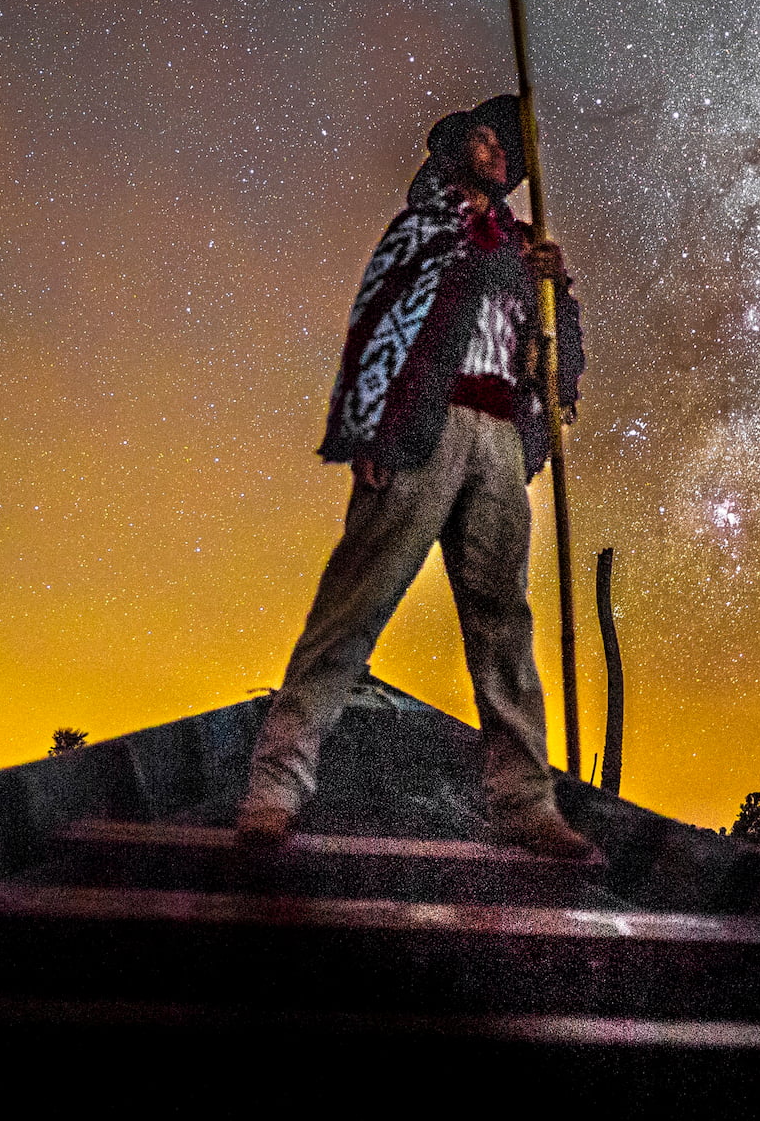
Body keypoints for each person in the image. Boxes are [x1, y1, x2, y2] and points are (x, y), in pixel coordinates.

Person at [236, 96, 598, 860]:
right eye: (486, 136)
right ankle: (276, 788)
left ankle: (525, 802)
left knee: (504, 625)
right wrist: (367, 429)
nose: (499, 149)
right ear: (458, 148)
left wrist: (554, 295)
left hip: (498, 441)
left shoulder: (528, 248)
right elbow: (377, 323)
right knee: (352, 608)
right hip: (419, 433)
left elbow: (556, 361)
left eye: (508, 144)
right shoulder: (427, 229)